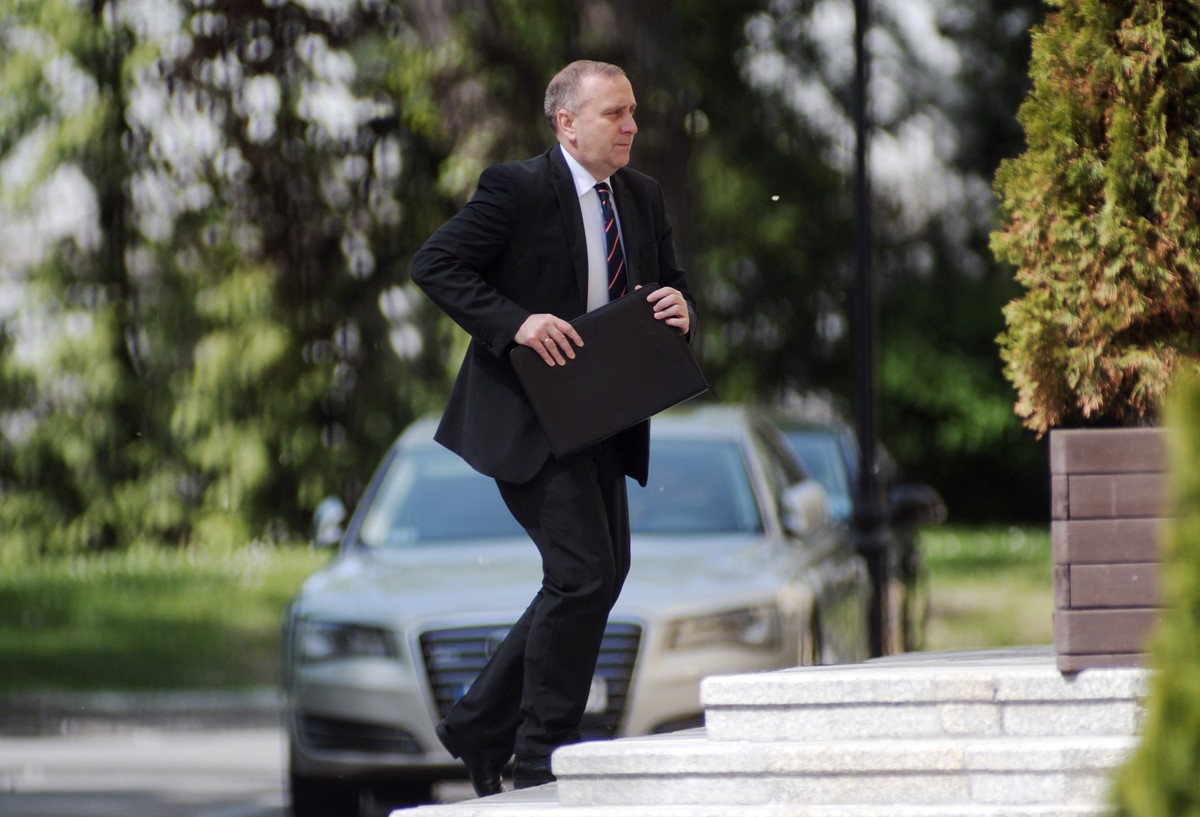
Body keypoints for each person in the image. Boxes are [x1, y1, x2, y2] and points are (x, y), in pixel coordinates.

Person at [409, 59, 697, 796]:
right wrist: (518, 322)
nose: (631, 126)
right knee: (582, 575)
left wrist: (681, 308)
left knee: (599, 576)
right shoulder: (517, 188)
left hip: (603, 418)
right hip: (527, 419)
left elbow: (668, 283)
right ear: (567, 123)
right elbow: (436, 263)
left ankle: (480, 725)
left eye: (633, 111)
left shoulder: (642, 195)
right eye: (614, 113)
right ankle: (540, 756)